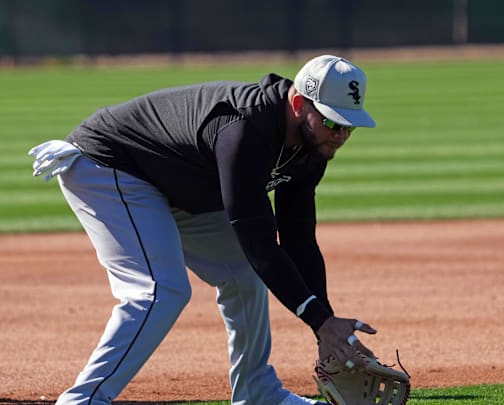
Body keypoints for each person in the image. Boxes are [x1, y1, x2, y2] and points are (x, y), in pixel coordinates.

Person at [29, 55, 379, 405]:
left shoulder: (312, 147)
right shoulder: (244, 128)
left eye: (350, 126)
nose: (342, 135)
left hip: (176, 185)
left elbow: (298, 238)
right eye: (333, 123)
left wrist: (326, 327)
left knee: (243, 274)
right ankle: (83, 400)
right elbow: (257, 240)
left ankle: (256, 392)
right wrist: (319, 321)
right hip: (110, 163)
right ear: (299, 104)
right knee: (160, 290)